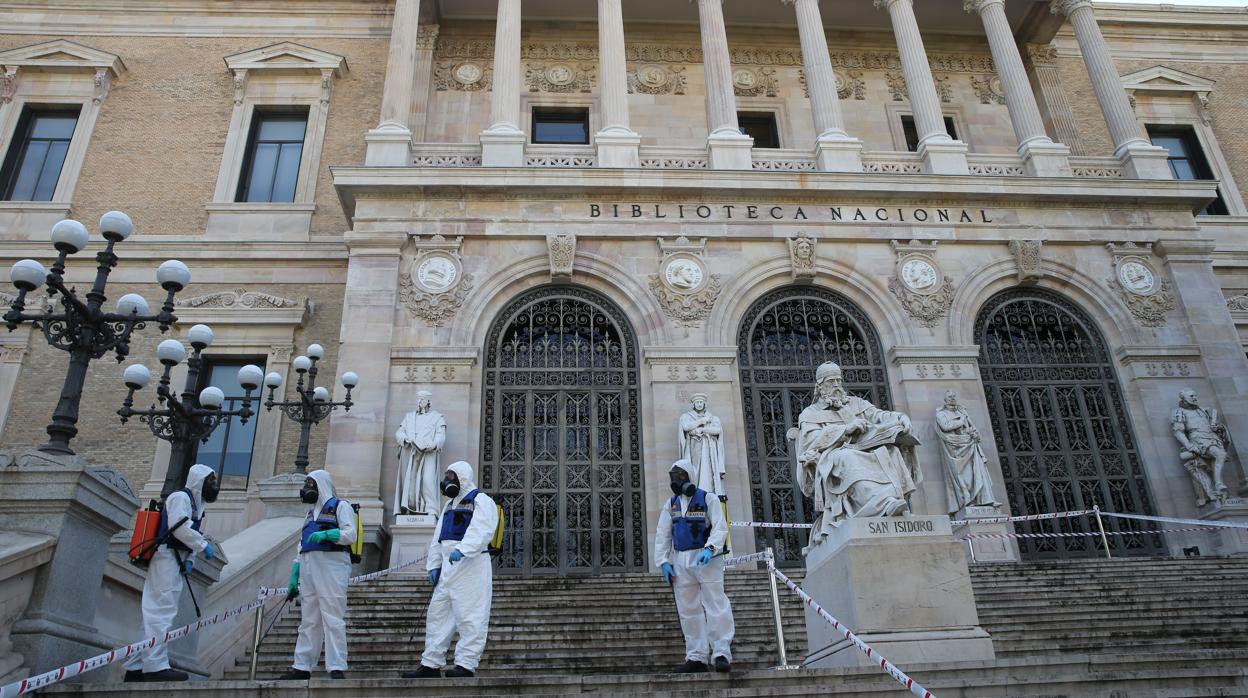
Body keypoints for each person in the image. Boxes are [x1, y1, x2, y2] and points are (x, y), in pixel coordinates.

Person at [796, 362, 920, 551]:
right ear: (820, 386)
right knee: (847, 457)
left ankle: (890, 502)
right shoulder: (810, 413)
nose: (836, 385)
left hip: (867, 448)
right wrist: (844, 430)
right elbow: (810, 440)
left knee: (891, 452)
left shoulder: (857, 404)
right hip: (834, 454)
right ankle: (883, 503)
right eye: (831, 381)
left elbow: (879, 415)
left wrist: (899, 417)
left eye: (839, 380)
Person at [123, 463, 221, 682]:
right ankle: (155, 666)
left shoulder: (197, 506)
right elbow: (179, 527)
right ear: (199, 481)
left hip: (176, 559)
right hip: (166, 557)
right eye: (211, 481)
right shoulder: (180, 498)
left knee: (155, 612)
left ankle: (136, 666)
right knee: (161, 611)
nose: (215, 486)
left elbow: (190, 530)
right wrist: (202, 545)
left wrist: (191, 558)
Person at [404, 461, 498, 679]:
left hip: (470, 564)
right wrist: (433, 565)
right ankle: (431, 663)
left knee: (470, 615)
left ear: (462, 477)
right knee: (438, 614)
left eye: (451, 476)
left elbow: (482, 530)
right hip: (448, 567)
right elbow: (438, 538)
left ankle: (466, 664)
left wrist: (463, 549)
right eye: (447, 476)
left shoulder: (481, 500)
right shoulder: (448, 506)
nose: (447, 480)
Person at [655, 459, 734, 674]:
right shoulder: (670, 504)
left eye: (680, 475)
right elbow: (663, 534)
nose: (677, 480)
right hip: (681, 560)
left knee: (715, 604)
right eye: (674, 476)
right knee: (688, 609)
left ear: (690, 476)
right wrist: (663, 562)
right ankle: (697, 656)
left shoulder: (708, 499)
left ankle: (721, 652)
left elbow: (720, 526)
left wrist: (710, 548)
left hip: (706, 558)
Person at [279, 469, 357, 680]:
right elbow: (301, 544)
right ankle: (302, 665)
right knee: (309, 619)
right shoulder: (308, 515)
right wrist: (295, 571)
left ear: (321, 485)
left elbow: (351, 534)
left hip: (332, 565)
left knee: (332, 616)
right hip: (308, 566)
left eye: (310, 484)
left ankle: (337, 665)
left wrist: (328, 534)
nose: (307, 489)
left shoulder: (340, 507)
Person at [395, 391, 447, 514]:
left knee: (428, 480)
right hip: (412, 452)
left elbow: (441, 436)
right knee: (410, 481)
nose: (420, 402)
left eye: (422, 399)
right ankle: (411, 508)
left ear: (428, 401)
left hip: (429, 453)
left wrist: (433, 445)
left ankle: (431, 508)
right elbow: (399, 432)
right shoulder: (409, 417)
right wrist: (406, 439)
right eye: (418, 399)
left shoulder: (437, 417)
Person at [678, 393, 726, 497]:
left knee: (709, 471)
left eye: (701, 402)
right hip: (694, 448)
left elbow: (717, 430)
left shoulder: (712, 417)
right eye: (697, 402)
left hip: (709, 449)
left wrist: (702, 429)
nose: (699, 404)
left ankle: (709, 492)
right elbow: (686, 427)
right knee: (696, 470)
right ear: (693, 404)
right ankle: (696, 491)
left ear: (704, 404)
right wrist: (701, 421)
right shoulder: (687, 416)